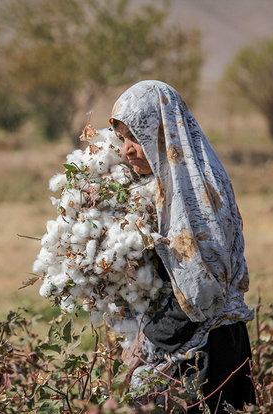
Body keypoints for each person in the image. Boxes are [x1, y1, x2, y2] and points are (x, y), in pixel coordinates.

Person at [108, 80, 256, 411]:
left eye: (135, 137)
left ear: (164, 134)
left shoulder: (197, 194)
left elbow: (203, 294)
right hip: (186, 345)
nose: (126, 150)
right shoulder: (162, 188)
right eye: (122, 139)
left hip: (207, 355)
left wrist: (149, 343)